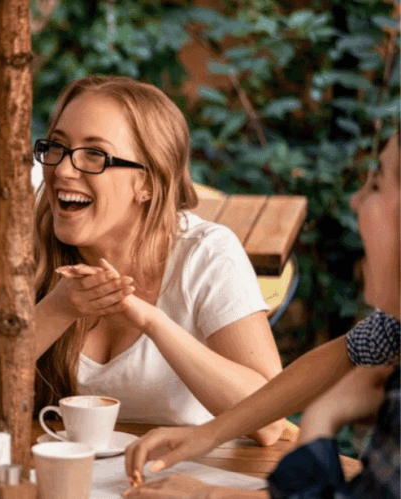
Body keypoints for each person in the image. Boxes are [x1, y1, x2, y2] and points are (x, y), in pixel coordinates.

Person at [0, 75, 288, 444]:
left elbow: (270, 422)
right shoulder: (24, 249)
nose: (63, 170)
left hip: (180, 480)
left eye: (94, 155)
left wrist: (153, 322)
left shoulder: (206, 254)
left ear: (146, 183)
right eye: (57, 147)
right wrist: (58, 309)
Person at [123, 132, 400, 499]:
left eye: (376, 184)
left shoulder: (207, 251)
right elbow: (345, 353)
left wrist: (209, 495)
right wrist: (208, 434)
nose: (355, 201)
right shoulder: (393, 328)